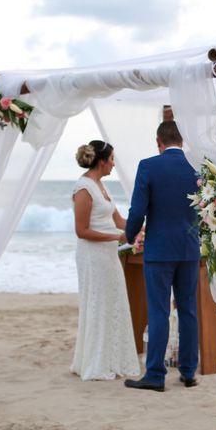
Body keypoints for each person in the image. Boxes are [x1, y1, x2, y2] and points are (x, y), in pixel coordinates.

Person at [124, 121, 200, 392]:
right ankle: (189, 371)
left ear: (159, 141)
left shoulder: (148, 166)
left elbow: (137, 210)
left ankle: (155, 374)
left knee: (159, 312)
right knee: (188, 310)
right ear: (182, 140)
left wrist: (129, 236)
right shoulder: (198, 168)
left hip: (159, 251)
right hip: (190, 249)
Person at [71, 140, 140, 380]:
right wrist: (117, 238)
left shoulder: (100, 185)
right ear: (101, 161)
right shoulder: (84, 188)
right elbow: (81, 231)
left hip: (108, 254)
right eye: (111, 159)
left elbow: (119, 220)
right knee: (98, 304)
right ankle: (95, 363)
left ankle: (112, 358)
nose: (113, 164)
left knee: (114, 302)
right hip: (93, 256)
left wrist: (140, 230)